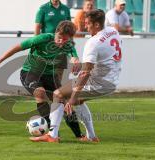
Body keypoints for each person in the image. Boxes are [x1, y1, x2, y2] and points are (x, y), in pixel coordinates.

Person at [30, 9, 122, 143]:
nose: (85, 26)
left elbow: (85, 73)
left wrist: (72, 98)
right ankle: (91, 137)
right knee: (79, 101)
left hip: (99, 82)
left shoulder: (93, 42)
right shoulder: (113, 31)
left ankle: (52, 135)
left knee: (58, 94)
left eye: (88, 23)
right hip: (112, 81)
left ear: (96, 25)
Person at [0, 21, 86, 139]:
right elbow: (16, 48)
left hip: (50, 76)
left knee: (64, 103)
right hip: (31, 72)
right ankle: (52, 133)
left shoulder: (68, 45)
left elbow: (74, 56)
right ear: (55, 33)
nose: (61, 42)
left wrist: (75, 60)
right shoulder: (43, 38)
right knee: (40, 93)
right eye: (59, 38)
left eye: (65, 40)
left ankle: (79, 136)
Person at [34, 0, 84, 138]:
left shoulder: (65, 9)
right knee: (45, 94)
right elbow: (37, 30)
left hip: (61, 52)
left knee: (60, 93)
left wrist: (73, 53)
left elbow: (70, 30)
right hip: (47, 52)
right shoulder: (43, 9)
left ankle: (73, 133)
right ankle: (53, 130)